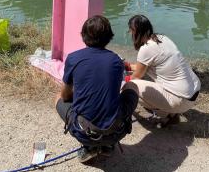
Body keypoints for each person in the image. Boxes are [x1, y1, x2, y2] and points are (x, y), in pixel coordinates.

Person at [56, 15, 138, 163]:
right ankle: (107, 146)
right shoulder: (116, 61)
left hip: (83, 132)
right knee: (132, 86)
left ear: (83, 36)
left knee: (58, 98)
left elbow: (65, 96)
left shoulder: (73, 58)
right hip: (116, 131)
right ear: (109, 37)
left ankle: (89, 147)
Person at [124, 15, 201, 126]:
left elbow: (136, 77)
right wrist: (127, 66)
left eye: (131, 31)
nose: (131, 35)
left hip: (181, 100)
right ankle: (170, 113)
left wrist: (120, 82)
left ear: (135, 31)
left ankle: (168, 115)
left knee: (131, 87)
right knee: (135, 85)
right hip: (193, 91)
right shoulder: (162, 38)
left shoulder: (146, 49)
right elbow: (143, 67)